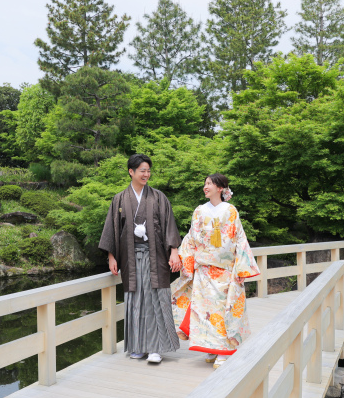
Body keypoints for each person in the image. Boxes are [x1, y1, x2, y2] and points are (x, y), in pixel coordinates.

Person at [98, 154, 183, 364]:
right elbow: (112, 229)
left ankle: (156, 348)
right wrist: (111, 256)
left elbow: (169, 225)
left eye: (148, 170)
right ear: (131, 172)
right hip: (130, 257)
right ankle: (137, 346)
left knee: (156, 298)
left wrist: (174, 251)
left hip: (156, 257)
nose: (146, 174)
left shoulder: (158, 197)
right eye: (142, 170)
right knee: (135, 300)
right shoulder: (119, 199)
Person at [171, 174, 260, 368]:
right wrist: (184, 257)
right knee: (204, 312)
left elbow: (238, 239)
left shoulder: (230, 210)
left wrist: (239, 266)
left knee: (221, 310)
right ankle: (211, 348)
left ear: (220, 188)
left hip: (224, 269)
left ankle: (224, 351)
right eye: (205, 184)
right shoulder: (199, 211)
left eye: (209, 184)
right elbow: (192, 237)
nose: (205, 187)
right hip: (203, 269)